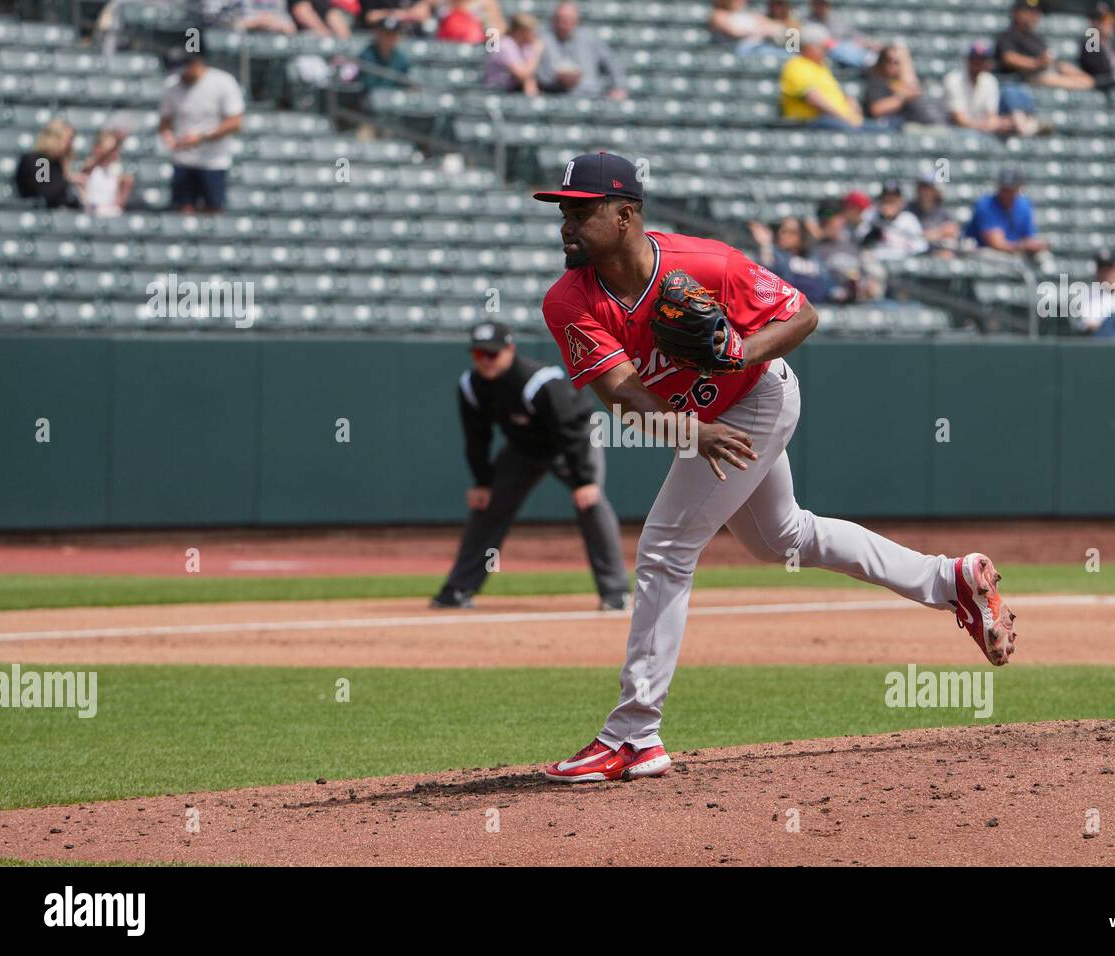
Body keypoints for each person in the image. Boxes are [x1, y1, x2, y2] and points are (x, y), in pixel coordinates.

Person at [534, 151, 1017, 782]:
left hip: (761, 396)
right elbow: (623, 393)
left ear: (625, 215)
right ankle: (950, 579)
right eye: (563, 212)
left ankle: (634, 736)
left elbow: (803, 314)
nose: (566, 225)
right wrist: (693, 432)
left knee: (665, 549)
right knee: (783, 538)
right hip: (708, 426)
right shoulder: (568, 301)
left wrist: (739, 354)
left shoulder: (707, 264)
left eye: (580, 211)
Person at [433, 321, 632, 611]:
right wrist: (482, 481)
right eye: (479, 354)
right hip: (524, 447)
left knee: (591, 504)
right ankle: (459, 589)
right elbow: (477, 439)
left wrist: (584, 479)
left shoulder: (537, 381)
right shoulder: (471, 386)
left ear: (510, 350)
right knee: (487, 507)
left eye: (492, 354)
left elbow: (571, 429)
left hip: (573, 440)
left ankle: (615, 593)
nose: (485, 360)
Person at [158, 48, 246, 215]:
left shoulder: (223, 82)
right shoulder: (172, 85)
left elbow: (236, 122)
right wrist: (167, 136)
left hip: (213, 160)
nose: (182, 75)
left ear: (196, 63)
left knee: (212, 210)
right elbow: (164, 121)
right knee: (183, 210)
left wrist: (202, 137)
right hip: (183, 159)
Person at [945, 40, 1044, 138]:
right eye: (975, 58)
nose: (978, 62)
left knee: (1013, 91)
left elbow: (991, 116)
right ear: (968, 60)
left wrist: (996, 124)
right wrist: (987, 125)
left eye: (982, 59)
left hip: (980, 129)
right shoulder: (954, 80)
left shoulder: (990, 81)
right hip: (955, 130)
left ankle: (1022, 123)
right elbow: (959, 120)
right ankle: (1024, 125)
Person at [996, 0, 1094, 91]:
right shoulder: (1008, 35)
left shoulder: (1035, 37)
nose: (1034, 15)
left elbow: (1049, 59)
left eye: (1036, 12)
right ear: (1017, 13)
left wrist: (1061, 66)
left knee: (1086, 79)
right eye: (1029, 12)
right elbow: (1009, 58)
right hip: (1026, 77)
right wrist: (1035, 63)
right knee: (1079, 84)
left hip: (1048, 70)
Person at [536, 2, 627, 100]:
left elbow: (612, 62)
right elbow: (535, 72)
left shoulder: (590, 38)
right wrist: (557, 79)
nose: (565, 23)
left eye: (570, 19)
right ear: (554, 20)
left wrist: (619, 87)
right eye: (561, 19)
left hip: (590, 96)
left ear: (577, 20)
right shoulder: (543, 39)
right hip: (554, 95)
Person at [779, 23, 863, 128]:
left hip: (838, 119)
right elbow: (814, 99)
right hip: (812, 122)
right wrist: (844, 117)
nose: (826, 50)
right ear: (809, 46)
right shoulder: (796, 65)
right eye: (822, 47)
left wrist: (851, 107)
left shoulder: (822, 66)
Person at [747, 217, 839, 304]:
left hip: (815, 307)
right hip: (787, 308)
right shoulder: (775, 255)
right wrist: (766, 245)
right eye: (783, 231)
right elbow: (767, 272)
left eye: (791, 232)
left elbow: (827, 284)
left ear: (801, 235)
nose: (784, 235)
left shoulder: (814, 258)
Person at [963, 167, 1051, 259]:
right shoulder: (985, 205)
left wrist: (1035, 245)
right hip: (988, 253)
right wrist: (1023, 246)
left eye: (1010, 190)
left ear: (1018, 189)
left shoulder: (1024, 205)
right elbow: (996, 244)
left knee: (1043, 257)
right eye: (1003, 189)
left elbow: (1028, 236)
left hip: (1014, 252)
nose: (1006, 193)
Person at [863, 44, 942, 129]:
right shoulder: (877, 79)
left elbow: (915, 91)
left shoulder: (900, 79)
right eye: (889, 61)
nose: (893, 65)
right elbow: (876, 109)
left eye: (898, 62)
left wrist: (906, 62)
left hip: (914, 123)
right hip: (888, 125)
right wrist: (902, 97)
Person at [14, 118, 83, 209]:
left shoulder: (56, 163)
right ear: (54, 138)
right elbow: (45, 194)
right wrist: (67, 178)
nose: (69, 146)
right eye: (66, 140)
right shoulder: (39, 161)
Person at [858, 180, 928, 260]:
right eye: (886, 200)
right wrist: (876, 227)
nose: (889, 204)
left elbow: (921, 246)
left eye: (893, 200)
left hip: (902, 264)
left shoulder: (908, 219)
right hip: (876, 263)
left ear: (901, 202)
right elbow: (860, 241)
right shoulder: (870, 216)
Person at [806, 0, 880, 71]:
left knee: (847, 46)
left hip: (841, 48)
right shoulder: (807, 21)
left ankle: (869, 58)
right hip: (823, 50)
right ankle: (866, 59)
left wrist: (867, 42)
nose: (821, 7)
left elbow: (852, 34)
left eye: (823, 4)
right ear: (813, 6)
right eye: (818, 4)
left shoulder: (835, 19)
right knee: (840, 48)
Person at [483, 13, 543, 94]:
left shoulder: (525, 46)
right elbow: (522, 74)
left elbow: (528, 77)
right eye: (530, 31)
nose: (533, 35)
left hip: (512, 91)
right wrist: (536, 53)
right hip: (496, 92)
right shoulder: (505, 44)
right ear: (521, 31)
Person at [79, 128, 135, 216]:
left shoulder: (117, 170)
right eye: (110, 149)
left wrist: (125, 188)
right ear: (97, 148)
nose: (112, 152)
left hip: (111, 214)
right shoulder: (89, 166)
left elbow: (119, 203)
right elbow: (85, 171)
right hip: (91, 213)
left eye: (115, 150)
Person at [709, 0, 787, 55]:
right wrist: (760, 30)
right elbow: (735, 32)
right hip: (737, 50)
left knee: (786, 52)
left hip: (757, 47)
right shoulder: (719, 15)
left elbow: (777, 27)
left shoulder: (747, 14)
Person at [359, 17, 412, 92]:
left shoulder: (401, 59)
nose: (389, 38)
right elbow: (366, 85)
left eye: (393, 34)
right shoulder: (366, 55)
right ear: (378, 34)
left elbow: (405, 86)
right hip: (369, 100)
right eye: (386, 34)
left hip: (393, 100)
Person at [910, 172, 959, 253]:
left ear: (936, 191)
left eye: (929, 188)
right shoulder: (909, 209)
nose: (925, 192)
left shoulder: (942, 212)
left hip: (935, 252)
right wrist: (939, 233)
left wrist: (935, 234)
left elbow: (953, 231)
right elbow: (909, 235)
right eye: (922, 188)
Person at [289, 0, 354, 38]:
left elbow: (333, 16)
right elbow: (301, 11)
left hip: (333, 40)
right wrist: (326, 34)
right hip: (304, 40)